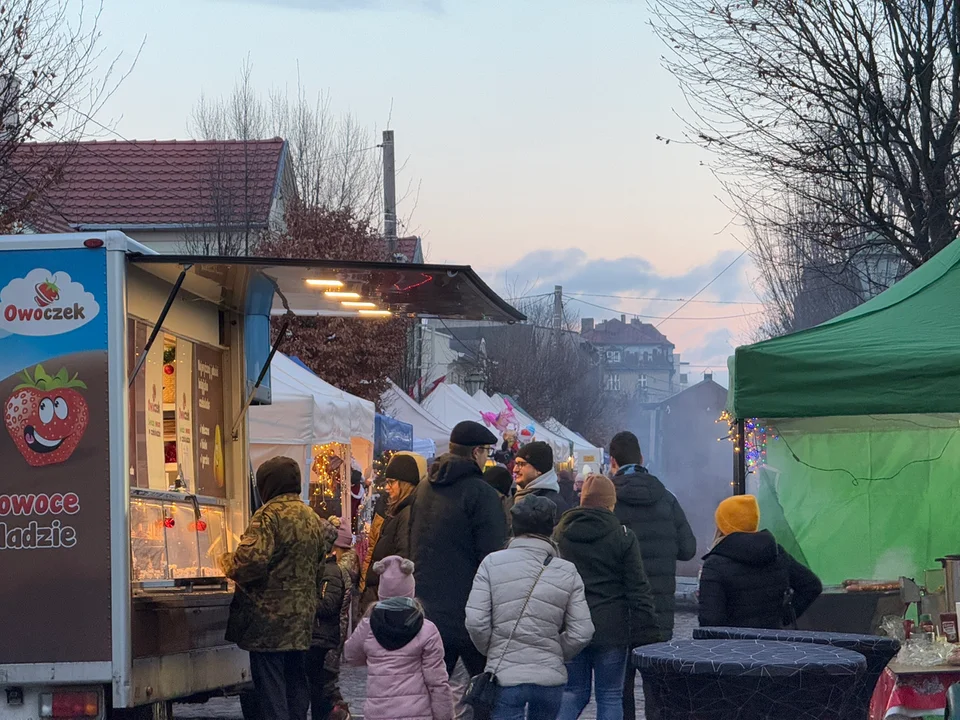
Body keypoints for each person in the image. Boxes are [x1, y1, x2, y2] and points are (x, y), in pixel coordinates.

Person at [466, 496, 595, 720]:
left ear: (514, 527)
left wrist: (492, 648)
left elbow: (476, 622)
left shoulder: (491, 563)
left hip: (505, 676)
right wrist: (555, 650)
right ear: (549, 529)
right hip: (550, 678)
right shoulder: (567, 570)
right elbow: (583, 631)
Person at [221, 456, 326, 720]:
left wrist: (224, 560)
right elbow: (320, 567)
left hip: (269, 623)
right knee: (295, 683)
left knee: (271, 690)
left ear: (267, 485)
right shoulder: (312, 517)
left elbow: (250, 562)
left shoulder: (269, 515)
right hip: (301, 621)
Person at [554, 475, 660, 720]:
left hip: (571, 626)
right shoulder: (622, 536)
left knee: (573, 693)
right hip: (612, 630)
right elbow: (637, 588)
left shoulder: (561, 534)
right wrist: (650, 631)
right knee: (610, 695)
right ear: (610, 503)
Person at [608, 431, 696, 720]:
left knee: (620, 690)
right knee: (657, 687)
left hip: (619, 609)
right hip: (659, 613)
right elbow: (688, 548)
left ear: (612, 462)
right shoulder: (666, 498)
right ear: (642, 460)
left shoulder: (608, 500)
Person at [409, 420, 508, 678]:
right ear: (476, 452)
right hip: (469, 608)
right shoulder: (482, 494)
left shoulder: (423, 488)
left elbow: (412, 539)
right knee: (485, 689)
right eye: (486, 451)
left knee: (431, 688)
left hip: (426, 604)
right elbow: (492, 556)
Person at [344, 555, 455, 720]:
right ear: (410, 590)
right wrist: (445, 716)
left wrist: (375, 656)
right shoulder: (427, 629)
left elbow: (351, 656)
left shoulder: (368, 627)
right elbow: (437, 682)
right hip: (417, 714)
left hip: (378, 714)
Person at [699, 495, 823, 629]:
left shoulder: (715, 564)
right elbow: (812, 585)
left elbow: (710, 620)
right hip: (772, 642)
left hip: (733, 645)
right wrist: (782, 617)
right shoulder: (776, 553)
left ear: (722, 527)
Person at [361, 452, 427, 611]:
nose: (386, 487)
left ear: (405, 484)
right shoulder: (397, 511)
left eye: (391, 482)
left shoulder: (406, 513)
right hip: (380, 590)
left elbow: (402, 557)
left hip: (386, 596)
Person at [307, 518, 351, 720]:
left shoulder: (331, 571)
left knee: (320, 686)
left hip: (321, 638)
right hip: (319, 636)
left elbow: (328, 604)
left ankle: (335, 715)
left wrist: (304, 601)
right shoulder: (323, 568)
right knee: (318, 685)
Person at [513, 441, 571, 523]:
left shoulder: (554, 505)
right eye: (515, 464)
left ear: (538, 469)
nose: (515, 469)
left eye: (521, 464)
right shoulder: (515, 497)